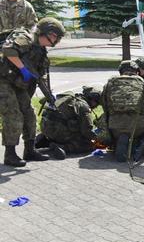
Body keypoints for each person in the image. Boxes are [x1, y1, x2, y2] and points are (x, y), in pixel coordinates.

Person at [0, 17, 65, 167]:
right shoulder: (26, 37)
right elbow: (8, 50)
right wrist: (23, 68)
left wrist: (48, 94)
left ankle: (29, 150)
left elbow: (39, 76)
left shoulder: (40, 52)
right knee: (13, 115)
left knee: (29, 114)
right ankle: (10, 155)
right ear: (46, 33)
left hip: (17, 84)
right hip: (3, 81)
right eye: (56, 36)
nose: (57, 40)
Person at [99, 60, 144, 162]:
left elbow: (103, 102)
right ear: (136, 71)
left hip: (114, 125)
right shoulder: (141, 82)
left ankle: (114, 143)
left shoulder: (111, 82)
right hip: (138, 126)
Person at [35, 86, 102, 158]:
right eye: (96, 103)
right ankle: (62, 147)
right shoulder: (83, 106)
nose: (96, 106)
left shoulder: (69, 98)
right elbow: (86, 131)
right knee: (88, 145)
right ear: (93, 100)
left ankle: (46, 140)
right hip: (59, 133)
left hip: (46, 128)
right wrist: (99, 139)